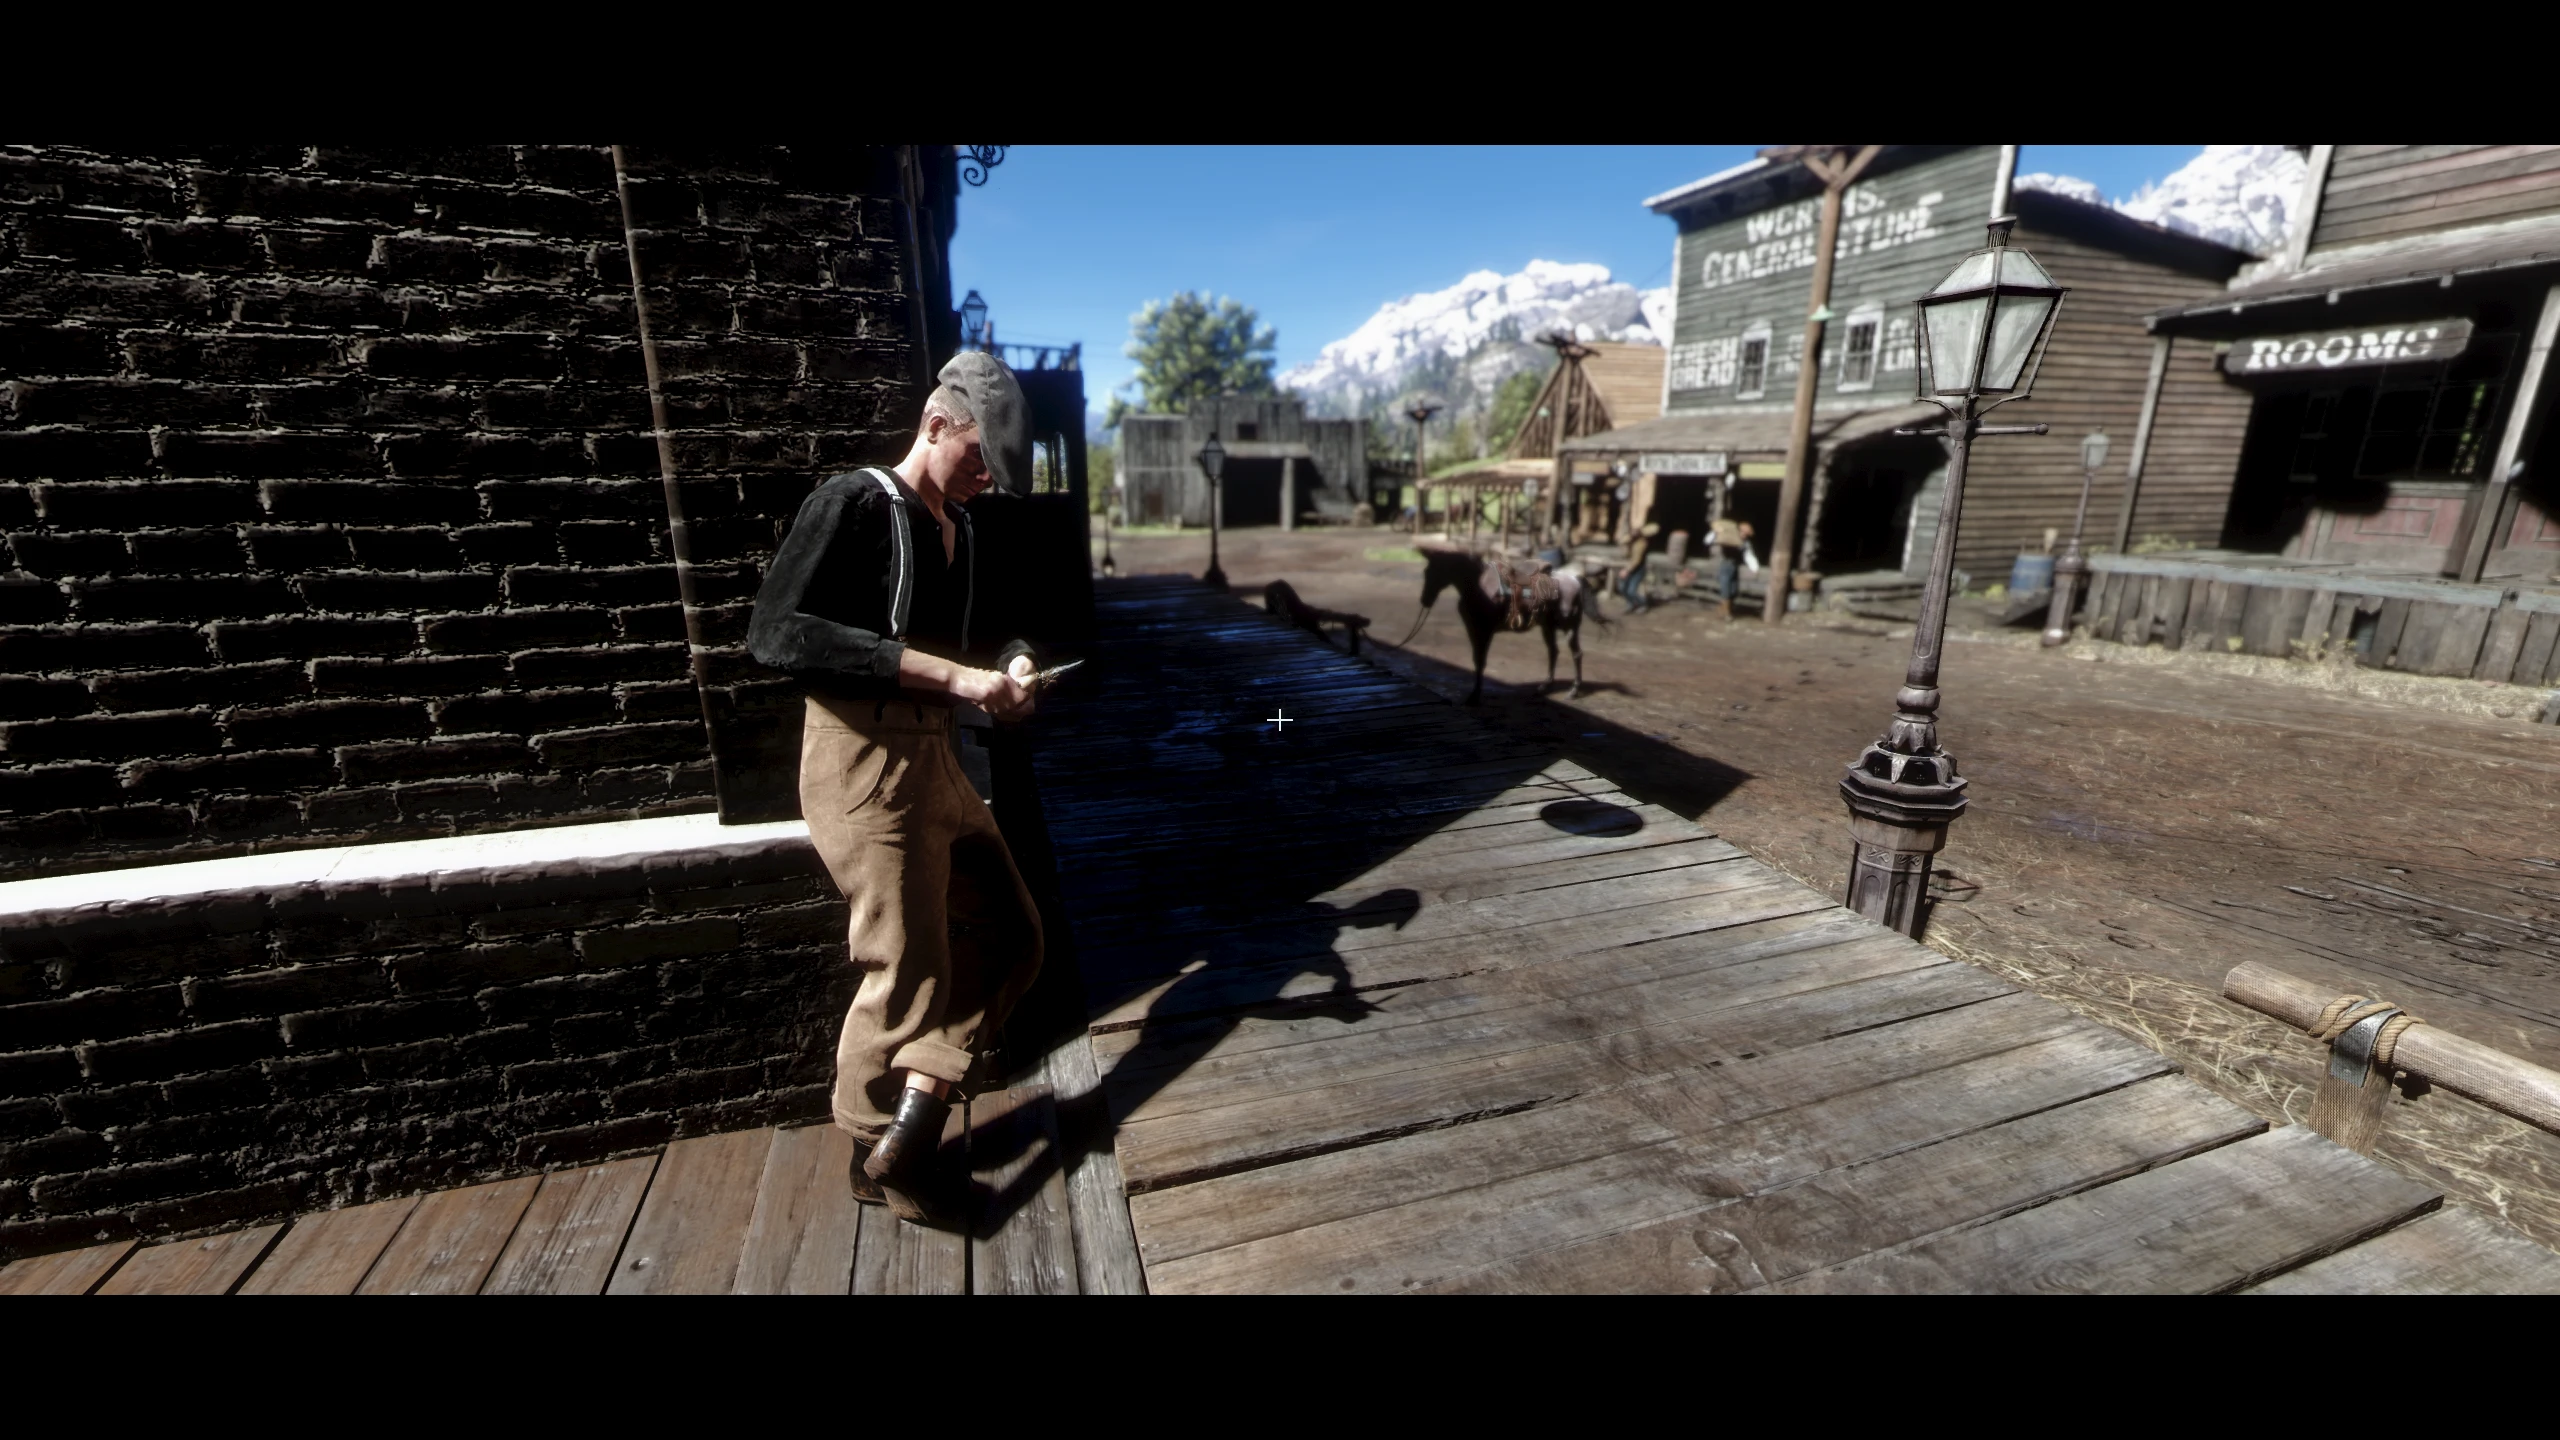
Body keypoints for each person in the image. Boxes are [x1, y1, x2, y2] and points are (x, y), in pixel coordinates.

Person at [747, 351, 1048, 1226]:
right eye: (979, 456)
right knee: (906, 964)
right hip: (863, 756)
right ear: (935, 423)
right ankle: (876, 1159)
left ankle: (907, 1130)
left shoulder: (962, 531)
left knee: (1012, 937)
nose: (986, 478)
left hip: (936, 758)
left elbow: (990, 639)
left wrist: (1014, 664)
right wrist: (951, 678)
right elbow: (775, 633)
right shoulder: (854, 502)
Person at [1711, 516, 1755, 621]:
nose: (1744, 535)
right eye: (1743, 533)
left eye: (1746, 534)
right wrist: (1717, 532)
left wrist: (1754, 568)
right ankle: (1726, 613)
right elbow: (1711, 540)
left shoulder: (1745, 543)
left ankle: (1722, 609)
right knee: (1726, 589)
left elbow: (1749, 555)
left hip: (1735, 566)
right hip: (1726, 565)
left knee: (1734, 590)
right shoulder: (1729, 538)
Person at [1619, 521, 1660, 613]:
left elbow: (1636, 560)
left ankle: (1643, 604)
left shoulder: (1641, 543)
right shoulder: (1629, 541)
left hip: (1638, 569)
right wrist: (1625, 545)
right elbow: (1624, 552)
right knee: (1622, 588)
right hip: (1628, 566)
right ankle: (1631, 603)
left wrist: (1626, 570)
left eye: (1636, 531)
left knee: (1631, 590)